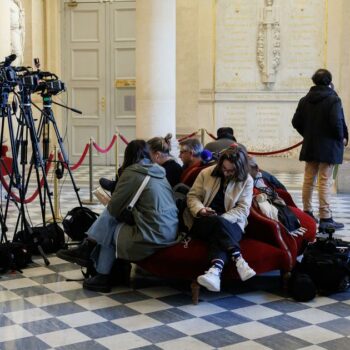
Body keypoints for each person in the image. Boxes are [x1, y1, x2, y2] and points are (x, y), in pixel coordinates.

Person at [57, 140, 179, 292]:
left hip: (152, 234)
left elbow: (114, 208)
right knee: (112, 223)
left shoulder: (133, 172)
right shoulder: (158, 171)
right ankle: (89, 251)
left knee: (110, 227)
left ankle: (98, 269)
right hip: (170, 229)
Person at [183, 145, 255, 292]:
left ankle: (215, 271)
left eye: (231, 171)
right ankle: (238, 258)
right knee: (217, 224)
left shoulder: (246, 180)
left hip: (231, 222)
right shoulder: (206, 173)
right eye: (224, 169)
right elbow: (192, 196)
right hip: (203, 221)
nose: (226, 173)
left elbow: (243, 209)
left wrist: (222, 219)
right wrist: (201, 209)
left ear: (239, 169)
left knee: (219, 230)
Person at [292, 68, 348, 231]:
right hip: (329, 146)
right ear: (329, 81)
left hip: (311, 145)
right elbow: (337, 122)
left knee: (309, 180)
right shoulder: (333, 100)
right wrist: (341, 138)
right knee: (325, 181)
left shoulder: (305, 100)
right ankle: (325, 217)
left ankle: (307, 213)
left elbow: (296, 122)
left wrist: (308, 134)